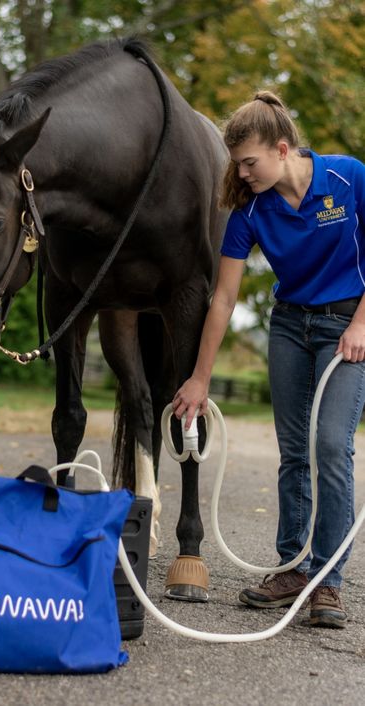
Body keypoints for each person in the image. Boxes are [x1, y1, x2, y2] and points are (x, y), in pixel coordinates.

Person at [172, 91, 365, 629]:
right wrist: (200, 378)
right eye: (237, 164)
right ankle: (293, 567)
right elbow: (224, 299)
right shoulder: (250, 209)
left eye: (249, 162)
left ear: (283, 149)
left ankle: (328, 581)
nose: (242, 172)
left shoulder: (349, 179)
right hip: (290, 326)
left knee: (331, 445)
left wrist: (361, 324)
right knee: (293, 451)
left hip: (348, 326)